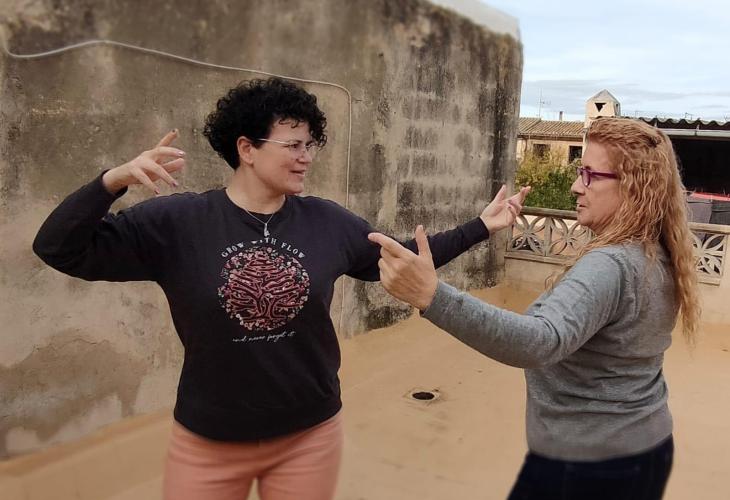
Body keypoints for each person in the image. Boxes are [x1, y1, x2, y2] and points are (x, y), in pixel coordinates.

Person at [32, 77, 529, 500]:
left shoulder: (327, 222)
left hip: (309, 436)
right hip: (209, 440)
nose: (306, 157)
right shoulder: (178, 223)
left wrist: (482, 226)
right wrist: (111, 182)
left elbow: (407, 257)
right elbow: (58, 248)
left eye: (310, 145)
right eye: (293, 145)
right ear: (247, 149)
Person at [369, 117, 701, 500]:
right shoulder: (654, 253)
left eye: (590, 175)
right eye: (579, 171)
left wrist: (432, 295)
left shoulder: (611, 265)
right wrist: (481, 226)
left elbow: (538, 341)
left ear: (633, 187)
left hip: (589, 468)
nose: (576, 186)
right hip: (641, 449)